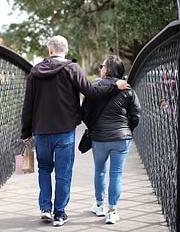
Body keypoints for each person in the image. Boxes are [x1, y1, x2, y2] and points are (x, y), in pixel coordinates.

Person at [21, 36, 130, 227]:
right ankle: (60, 214)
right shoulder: (72, 69)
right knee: (64, 172)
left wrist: (26, 132)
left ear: (50, 51)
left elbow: (28, 104)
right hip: (65, 130)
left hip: (41, 130)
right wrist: (115, 86)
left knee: (44, 169)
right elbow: (92, 93)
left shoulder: (35, 72)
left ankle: (45, 208)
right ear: (66, 49)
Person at [81, 55, 141, 224]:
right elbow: (136, 115)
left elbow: (84, 112)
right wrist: (127, 129)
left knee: (99, 170)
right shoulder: (127, 89)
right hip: (121, 138)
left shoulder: (94, 87)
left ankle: (99, 205)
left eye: (102, 66)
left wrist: (93, 127)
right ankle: (112, 211)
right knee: (116, 174)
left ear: (107, 69)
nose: (100, 68)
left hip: (99, 137)